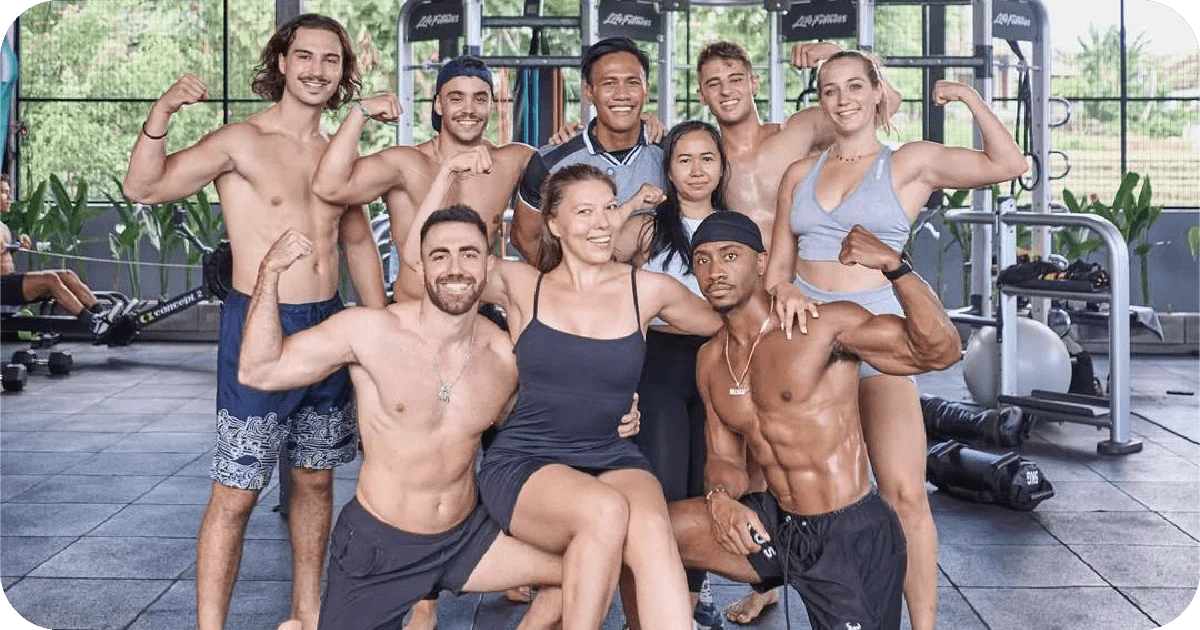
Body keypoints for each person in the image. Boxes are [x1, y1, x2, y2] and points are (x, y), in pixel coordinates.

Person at [401, 164, 801, 629]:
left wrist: (784, 289)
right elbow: (417, 265)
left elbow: (739, 322)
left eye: (610, 208)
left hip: (611, 454)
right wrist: (445, 175)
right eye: (585, 211)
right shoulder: (520, 284)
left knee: (654, 533)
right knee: (606, 511)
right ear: (554, 223)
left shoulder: (647, 290)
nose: (603, 222)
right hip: (528, 460)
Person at [241, 209, 636, 630]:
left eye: (468, 254)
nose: (454, 268)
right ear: (421, 265)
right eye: (440, 255)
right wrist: (268, 273)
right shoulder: (371, 332)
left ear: (488, 264)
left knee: (588, 567)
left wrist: (619, 412)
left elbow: (553, 421)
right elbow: (259, 370)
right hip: (381, 545)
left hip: (465, 538)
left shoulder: (505, 356)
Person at [123, 14, 387, 630]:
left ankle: (306, 613)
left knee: (317, 482)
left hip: (326, 324)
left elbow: (354, 245)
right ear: (282, 63)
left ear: (344, 73)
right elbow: (145, 186)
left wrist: (379, 331)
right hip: (259, 322)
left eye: (331, 60)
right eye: (306, 57)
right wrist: (161, 113)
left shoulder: (336, 152)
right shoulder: (239, 142)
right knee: (237, 491)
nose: (318, 70)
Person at [764, 51, 1027, 630]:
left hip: (879, 335)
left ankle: (924, 625)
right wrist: (781, 289)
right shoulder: (798, 173)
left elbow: (1008, 163)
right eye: (829, 90)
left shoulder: (906, 164)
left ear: (878, 92)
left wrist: (968, 98)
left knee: (905, 493)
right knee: (808, 492)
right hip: (810, 342)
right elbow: (778, 265)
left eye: (855, 86)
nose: (843, 99)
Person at [663, 212, 962, 630]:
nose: (715, 271)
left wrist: (897, 267)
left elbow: (940, 353)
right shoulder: (711, 359)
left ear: (762, 262)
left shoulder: (822, 326)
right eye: (703, 260)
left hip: (847, 533)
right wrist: (721, 500)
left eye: (730, 256)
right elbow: (724, 457)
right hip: (776, 524)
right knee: (652, 532)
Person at [311, 55, 534, 303]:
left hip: (475, 314)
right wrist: (359, 112)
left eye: (480, 99)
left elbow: (570, 184)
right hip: (412, 317)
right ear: (438, 104)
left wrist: (567, 137)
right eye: (456, 98)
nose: (469, 109)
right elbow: (329, 187)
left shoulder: (513, 160)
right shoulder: (405, 163)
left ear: (492, 105)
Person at [510, 37, 669, 265]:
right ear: (589, 91)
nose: (622, 94)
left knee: (647, 226)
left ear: (645, 89)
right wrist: (570, 291)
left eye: (632, 82)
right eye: (609, 83)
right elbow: (525, 237)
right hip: (576, 292)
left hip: (656, 295)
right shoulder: (551, 160)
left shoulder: (672, 153)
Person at [1, 175, 112, 339]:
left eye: (9, 192)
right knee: (50, 279)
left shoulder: (3, 227)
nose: (9, 198)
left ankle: (104, 316)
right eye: (4, 192)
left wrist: (19, 244)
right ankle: (93, 324)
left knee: (67, 274)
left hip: (10, 283)